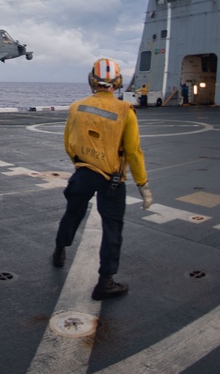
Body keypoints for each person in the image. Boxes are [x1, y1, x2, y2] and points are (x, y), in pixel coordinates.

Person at [52, 58, 152, 301]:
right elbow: (133, 151)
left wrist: (81, 165)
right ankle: (105, 282)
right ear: (117, 83)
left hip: (83, 174)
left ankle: (59, 251)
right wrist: (143, 185)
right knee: (112, 228)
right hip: (112, 180)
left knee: (72, 214)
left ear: (91, 81)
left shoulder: (76, 107)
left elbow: (68, 143)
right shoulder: (124, 111)